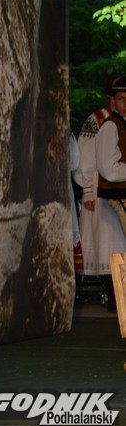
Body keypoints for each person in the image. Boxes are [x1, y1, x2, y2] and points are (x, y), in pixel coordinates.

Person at [74, 75, 126, 289]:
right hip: (100, 189)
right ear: (111, 98)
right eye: (119, 96)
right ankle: (112, 291)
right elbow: (84, 158)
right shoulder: (97, 120)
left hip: (120, 187)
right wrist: (87, 190)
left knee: (119, 240)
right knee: (108, 241)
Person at [94, 74, 126, 288]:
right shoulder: (110, 126)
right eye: (121, 98)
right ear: (112, 101)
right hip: (120, 197)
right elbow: (108, 169)